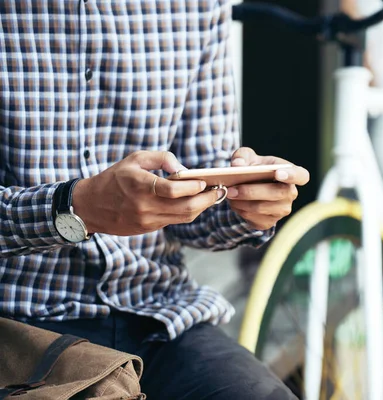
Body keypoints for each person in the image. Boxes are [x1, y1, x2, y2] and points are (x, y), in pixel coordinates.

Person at [0, 0, 308, 399]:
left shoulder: (197, 7)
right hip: (15, 321)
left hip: (155, 312)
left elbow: (198, 203)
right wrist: (74, 207)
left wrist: (245, 204)